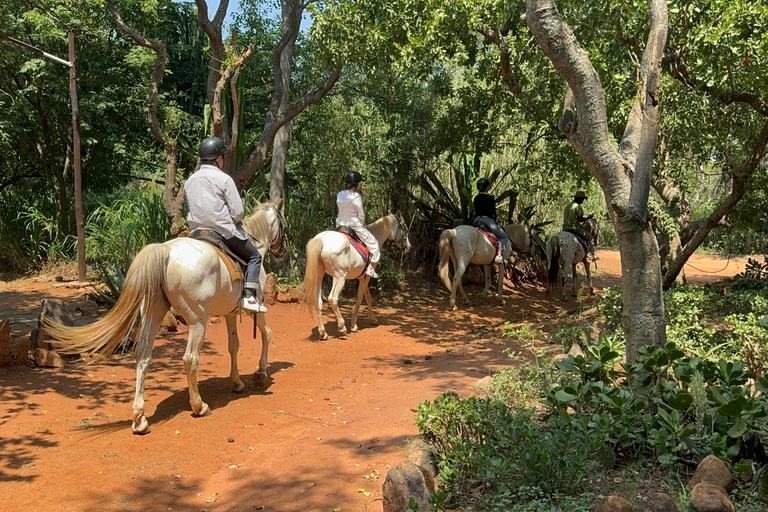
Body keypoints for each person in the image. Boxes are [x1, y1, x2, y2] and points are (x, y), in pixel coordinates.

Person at [185, 136, 267, 313]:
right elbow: (237, 213)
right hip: (221, 233)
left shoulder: (190, 180)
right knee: (254, 256)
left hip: (196, 233)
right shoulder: (224, 179)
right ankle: (249, 297)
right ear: (219, 159)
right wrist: (236, 221)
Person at [335, 171, 380, 278]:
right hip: (354, 225)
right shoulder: (356, 196)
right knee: (374, 244)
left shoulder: (339, 194)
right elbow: (361, 215)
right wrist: (362, 223)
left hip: (340, 224)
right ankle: (370, 269)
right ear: (355, 184)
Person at [472, 177, 509, 264]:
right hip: (487, 221)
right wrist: (495, 220)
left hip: (476, 221)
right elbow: (493, 212)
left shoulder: (476, 198)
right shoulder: (490, 198)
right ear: (487, 187)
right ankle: (499, 255)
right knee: (504, 236)